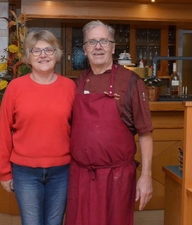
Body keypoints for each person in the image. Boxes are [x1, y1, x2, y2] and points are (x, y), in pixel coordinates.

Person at [65, 20, 154, 225]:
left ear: (113, 47)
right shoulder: (79, 81)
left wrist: (146, 177)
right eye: (92, 42)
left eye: (104, 41)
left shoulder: (131, 82)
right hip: (80, 177)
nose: (98, 46)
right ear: (85, 50)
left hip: (117, 178)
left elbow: (145, 133)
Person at [0, 30, 76, 225]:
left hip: (62, 171)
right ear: (28, 57)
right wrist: (4, 172)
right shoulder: (15, 87)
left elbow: (79, 130)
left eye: (49, 49)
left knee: (54, 223)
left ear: (57, 54)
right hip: (25, 172)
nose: (43, 55)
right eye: (36, 51)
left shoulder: (70, 87)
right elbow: (3, 131)